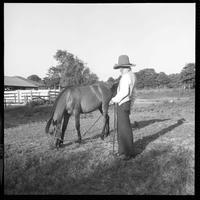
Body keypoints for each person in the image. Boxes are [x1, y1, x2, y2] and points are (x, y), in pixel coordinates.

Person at [111, 55, 136, 160]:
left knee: (125, 128)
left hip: (123, 103)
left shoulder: (126, 76)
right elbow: (130, 92)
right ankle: (122, 150)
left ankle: (128, 153)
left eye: (121, 67)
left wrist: (114, 99)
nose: (120, 70)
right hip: (125, 103)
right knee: (121, 128)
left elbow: (124, 92)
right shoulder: (131, 75)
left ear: (125, 67)